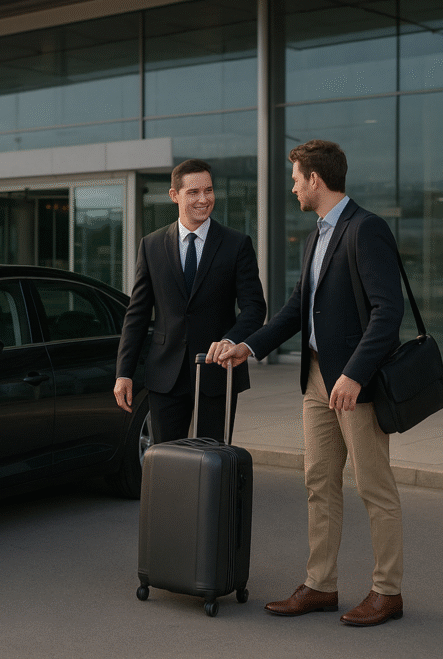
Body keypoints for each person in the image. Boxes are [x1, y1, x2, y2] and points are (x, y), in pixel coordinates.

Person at [217, 139, 405, 627]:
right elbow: (295, 311)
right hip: (317, 379)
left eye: (297, 178)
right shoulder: (315, 238)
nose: (294, 187)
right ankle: (321, 584)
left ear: (316, 180)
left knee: (373, 486)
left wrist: (355, 374)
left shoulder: (366, 229)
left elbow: (389, 312)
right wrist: (250, 346)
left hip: (353, 383)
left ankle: (388, 592)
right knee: (319, 482)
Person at [114, 158, 266, 444]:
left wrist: (231, 341)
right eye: (193, 192)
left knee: (215, 465)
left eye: (208, 190)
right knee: (167, 462)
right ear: (175, 195)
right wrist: (124, 373)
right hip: (165, 374)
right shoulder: (152, 245)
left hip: (218, 372)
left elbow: (255, 307)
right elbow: (137, 314)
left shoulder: (237, 244)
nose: (204, 199)